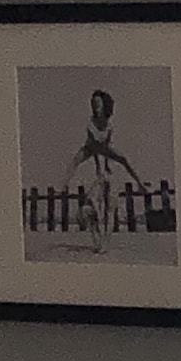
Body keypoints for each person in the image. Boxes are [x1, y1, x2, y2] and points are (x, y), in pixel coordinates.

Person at [65, 88, 142, 253]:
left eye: (98, 104)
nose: (95, 107)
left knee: (109, 209)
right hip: (100, 176)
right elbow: (75, 161)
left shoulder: (110, 137)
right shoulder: (90, 134)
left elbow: (126, 163)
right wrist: (64, 182)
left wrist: (140, 183)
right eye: (93, 104)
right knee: (89, 207)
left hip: (111, 175)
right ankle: (97, 240)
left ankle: (104, 244)